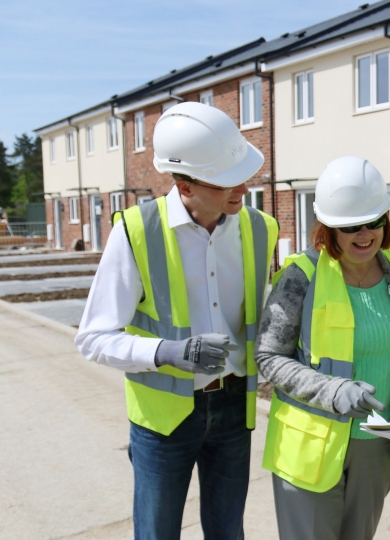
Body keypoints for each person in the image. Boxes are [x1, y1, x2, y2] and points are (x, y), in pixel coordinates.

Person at [75, 102, 279, 540]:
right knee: (157, 533)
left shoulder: (261, 228)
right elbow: (93, 338)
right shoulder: (136, 231)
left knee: (228, 533)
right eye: (227, 180)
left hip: (232, 410)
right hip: (163, 420)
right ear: (184, 184)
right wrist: (167, 352)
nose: (242, 188)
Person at [254, 156, 390, 540]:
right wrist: (334, 391)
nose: (364, 234)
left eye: (373, 222)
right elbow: (269, 358)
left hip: (376, 446)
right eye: (350, 226)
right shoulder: (301, 274)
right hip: (308, 448)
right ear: (329, 228)